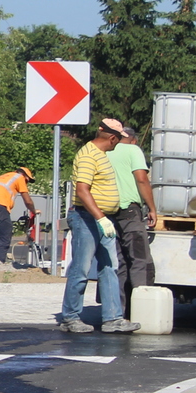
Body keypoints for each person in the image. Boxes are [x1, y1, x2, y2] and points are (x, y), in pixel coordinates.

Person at [57, 123, 136, 333]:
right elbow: (82, 190)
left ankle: (113, 318)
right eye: (119, 139)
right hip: (87, 218)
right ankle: (70, 317)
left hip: (102, 219)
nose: (118, 143)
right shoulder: (88, 155)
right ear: (112, 138)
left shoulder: (101, 155)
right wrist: (101, 218)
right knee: (81, 269)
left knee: (110, 267)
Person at [104, 119, 156, 311]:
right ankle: (141, 310)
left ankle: (116, 310)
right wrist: (151, 208)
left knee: (117, 262)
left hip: (106, 212)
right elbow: (142, 180)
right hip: (129, 212)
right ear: (133, 140)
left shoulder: (104, 150)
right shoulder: (133, 150)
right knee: (139, 259)